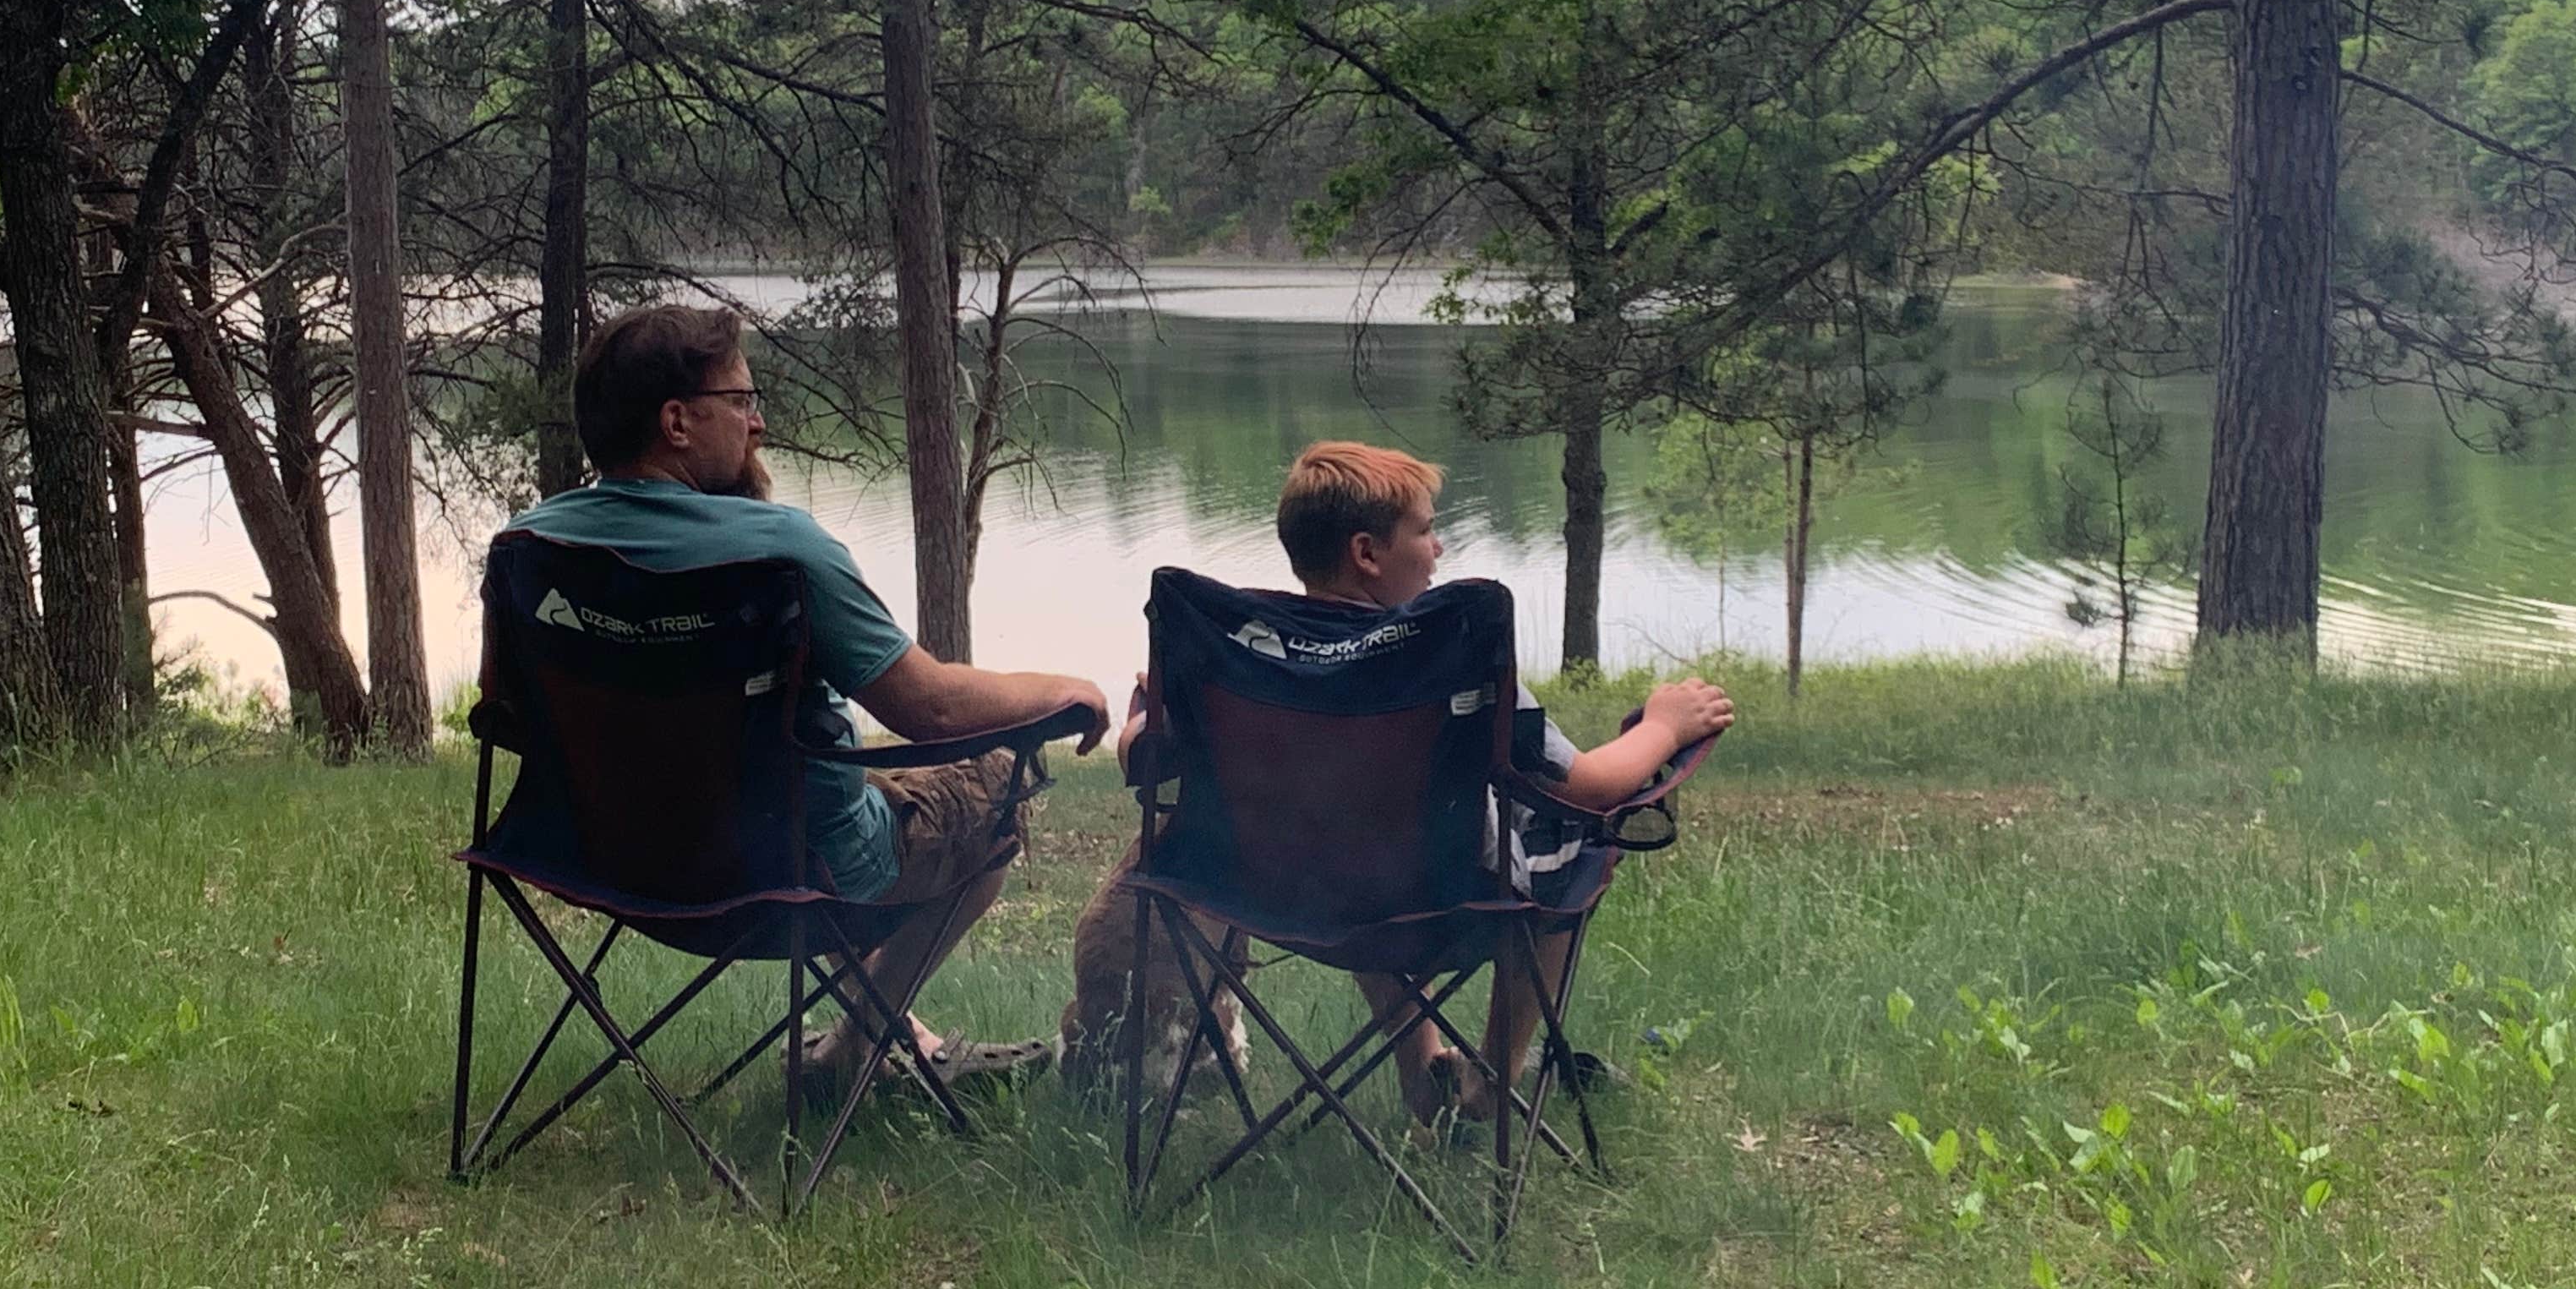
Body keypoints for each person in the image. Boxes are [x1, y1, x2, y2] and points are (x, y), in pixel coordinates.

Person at [508, 303, 1108, 1084]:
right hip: (791, 871)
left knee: (875, 789)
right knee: (995, 794)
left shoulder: (527, 549)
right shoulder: (782, 553)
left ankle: (893, 1037)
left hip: (606, 863)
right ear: (678, 422)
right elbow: (929, 709)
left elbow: (511, 717)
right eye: (742, 402)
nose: (757, 425)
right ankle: (853, 1049)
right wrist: (1064, 690)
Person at [1061, 440, 1732, 1123]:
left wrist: (1153, 709)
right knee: (1573, 853)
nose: (1438, 549)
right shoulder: (1449, 660)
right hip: (1441, 904)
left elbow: (1140, 762)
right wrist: (1666, 726)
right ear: (1367, 554)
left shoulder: (1235, 658)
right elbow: (1589, 786)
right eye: (1426, 529)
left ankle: (1423, 1072)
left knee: (1350, 837)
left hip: (1276, 897)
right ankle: (1490, 1087)